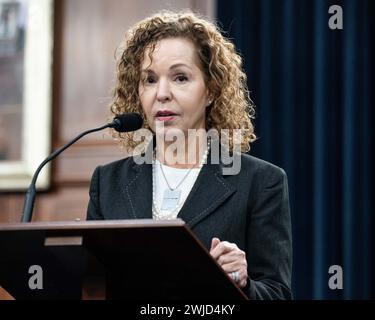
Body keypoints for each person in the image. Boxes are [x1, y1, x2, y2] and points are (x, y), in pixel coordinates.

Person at [87, 11, 292, 300]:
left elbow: (277, 294)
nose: (162, 93)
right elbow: (91, 286)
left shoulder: (261, 182)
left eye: (180, 77)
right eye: (149, 79)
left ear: (211, 90)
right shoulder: (107, 183)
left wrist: (243, 283)